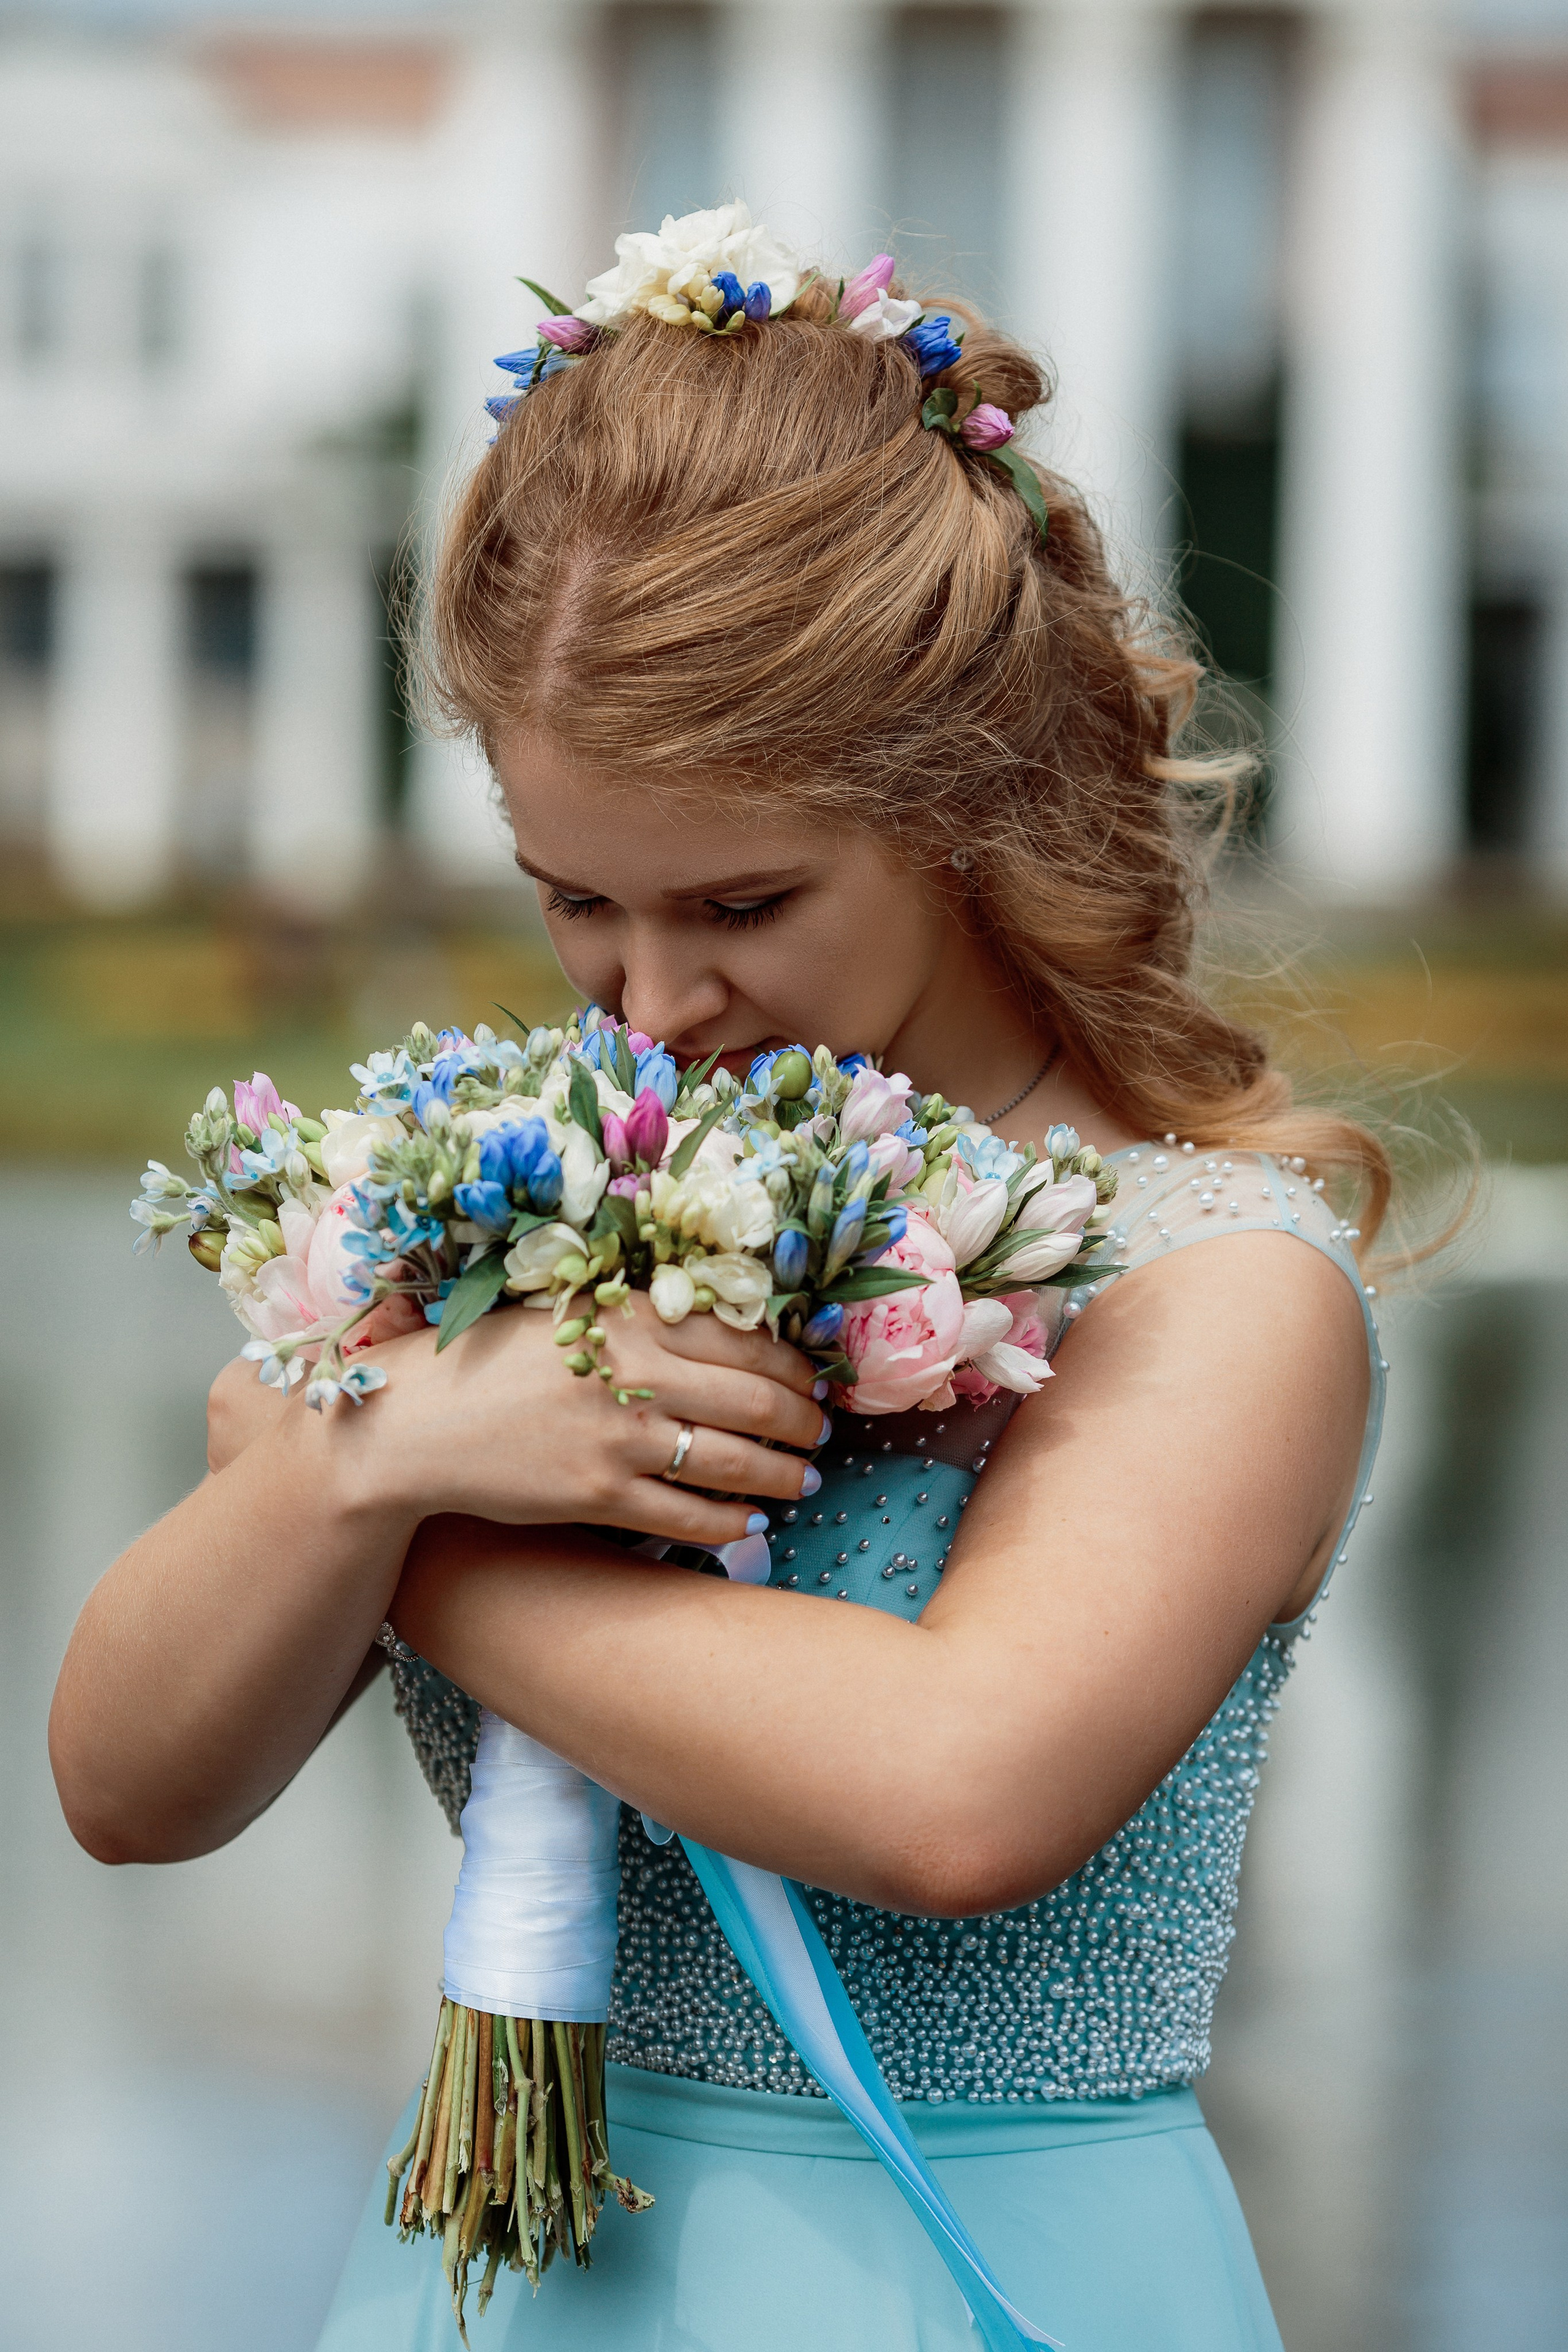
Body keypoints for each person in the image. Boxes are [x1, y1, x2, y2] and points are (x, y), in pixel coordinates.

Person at [51, 220, 1390, 2351]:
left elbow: (955, 1798)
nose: (652, 1000)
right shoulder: (517, 1215)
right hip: (501, 2280)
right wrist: (353, 1467)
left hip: (964, 2269)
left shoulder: (1214, 1281)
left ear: (966, 801)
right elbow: (128, 1795)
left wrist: (403, 1507)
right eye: (575, 900)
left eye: (744, 905)